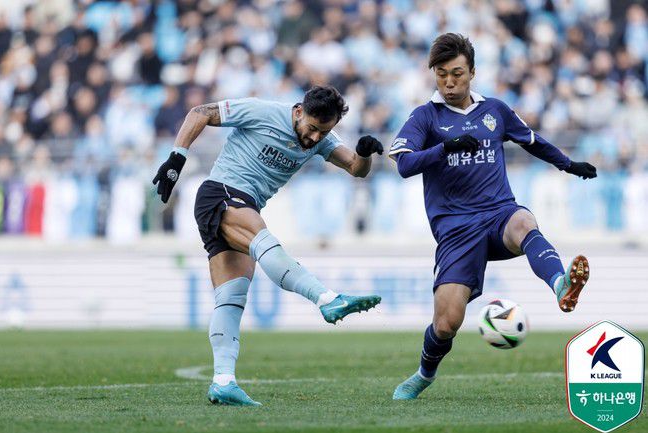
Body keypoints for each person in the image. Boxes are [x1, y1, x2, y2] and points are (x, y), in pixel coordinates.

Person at [389, 34, 597, 400]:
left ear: (472, 72)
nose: (449, 83)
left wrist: (568, 164)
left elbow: (531, 141)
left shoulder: (495, 111)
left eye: (457, 74)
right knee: (446, 324)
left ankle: (560, 285)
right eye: (441, 75)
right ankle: (424, 374)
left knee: (524, 221)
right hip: (456, 229)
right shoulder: (425, 116)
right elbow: (404, 164)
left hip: (499, 213)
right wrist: (444, 148)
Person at [153, 85, 383, 406]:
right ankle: (326, 298)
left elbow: (356, 169)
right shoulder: (262, 112)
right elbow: (200, 113)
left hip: (245, 204)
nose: (315, 138)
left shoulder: (321, 139)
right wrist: (177, 158)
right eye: (312, 128)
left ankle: (223, 381)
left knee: (231, 298)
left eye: (323, 132)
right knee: (265, 243)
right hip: (222, 193)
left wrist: (365, 154)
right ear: (299, 111)